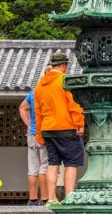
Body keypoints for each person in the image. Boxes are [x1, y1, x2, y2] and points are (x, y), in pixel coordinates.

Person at [35, 51, 85, 206]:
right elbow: (74, 105)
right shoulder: (65, 81)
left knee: (53, 163)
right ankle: (69, 198)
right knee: (71, 163)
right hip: (66, 128)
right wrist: (80, 123)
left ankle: (51, 198)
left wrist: (39, 136)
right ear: (64, 65)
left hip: (47, 129)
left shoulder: (39, 86)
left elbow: (37, 113)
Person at [20, 85, 49, 205]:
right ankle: (45, 198)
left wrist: (29, 124)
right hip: (45, 133)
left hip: (32, 133)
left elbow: (22, 107)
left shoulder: (34, 91)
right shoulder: (51, 90)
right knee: (45, 166)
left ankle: (32, 199)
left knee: (32, 168)